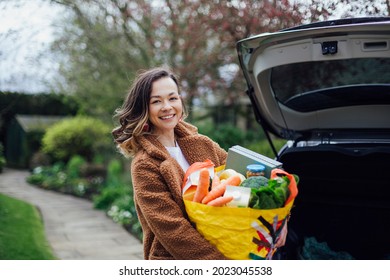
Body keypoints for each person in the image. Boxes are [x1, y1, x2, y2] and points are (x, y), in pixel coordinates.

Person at [112, 66, 287, 260]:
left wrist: (278, 221)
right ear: (144, 108)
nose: (167, 107)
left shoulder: (201, 143)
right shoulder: (145, 165)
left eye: (172, 98)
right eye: (156, 101)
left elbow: (249, 184)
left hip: (231, 245)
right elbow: (173, 230)